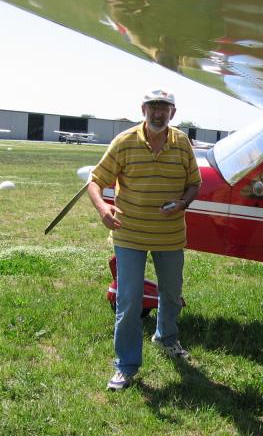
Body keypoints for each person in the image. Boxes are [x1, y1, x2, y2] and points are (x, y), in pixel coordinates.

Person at [88, 88, 201, 391]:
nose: (158, 113)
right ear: (143, 110)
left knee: (172, 293)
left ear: (173, 113)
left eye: (164, 108)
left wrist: (183, 202)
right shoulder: (124, 142)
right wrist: (103, 208)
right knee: (128, 300)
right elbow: (96, 181)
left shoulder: (182, 143)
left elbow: (194, 183)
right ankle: (125, 365)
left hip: (170, 235)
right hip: (130, 233)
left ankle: (166, 337)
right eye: (153, 107)